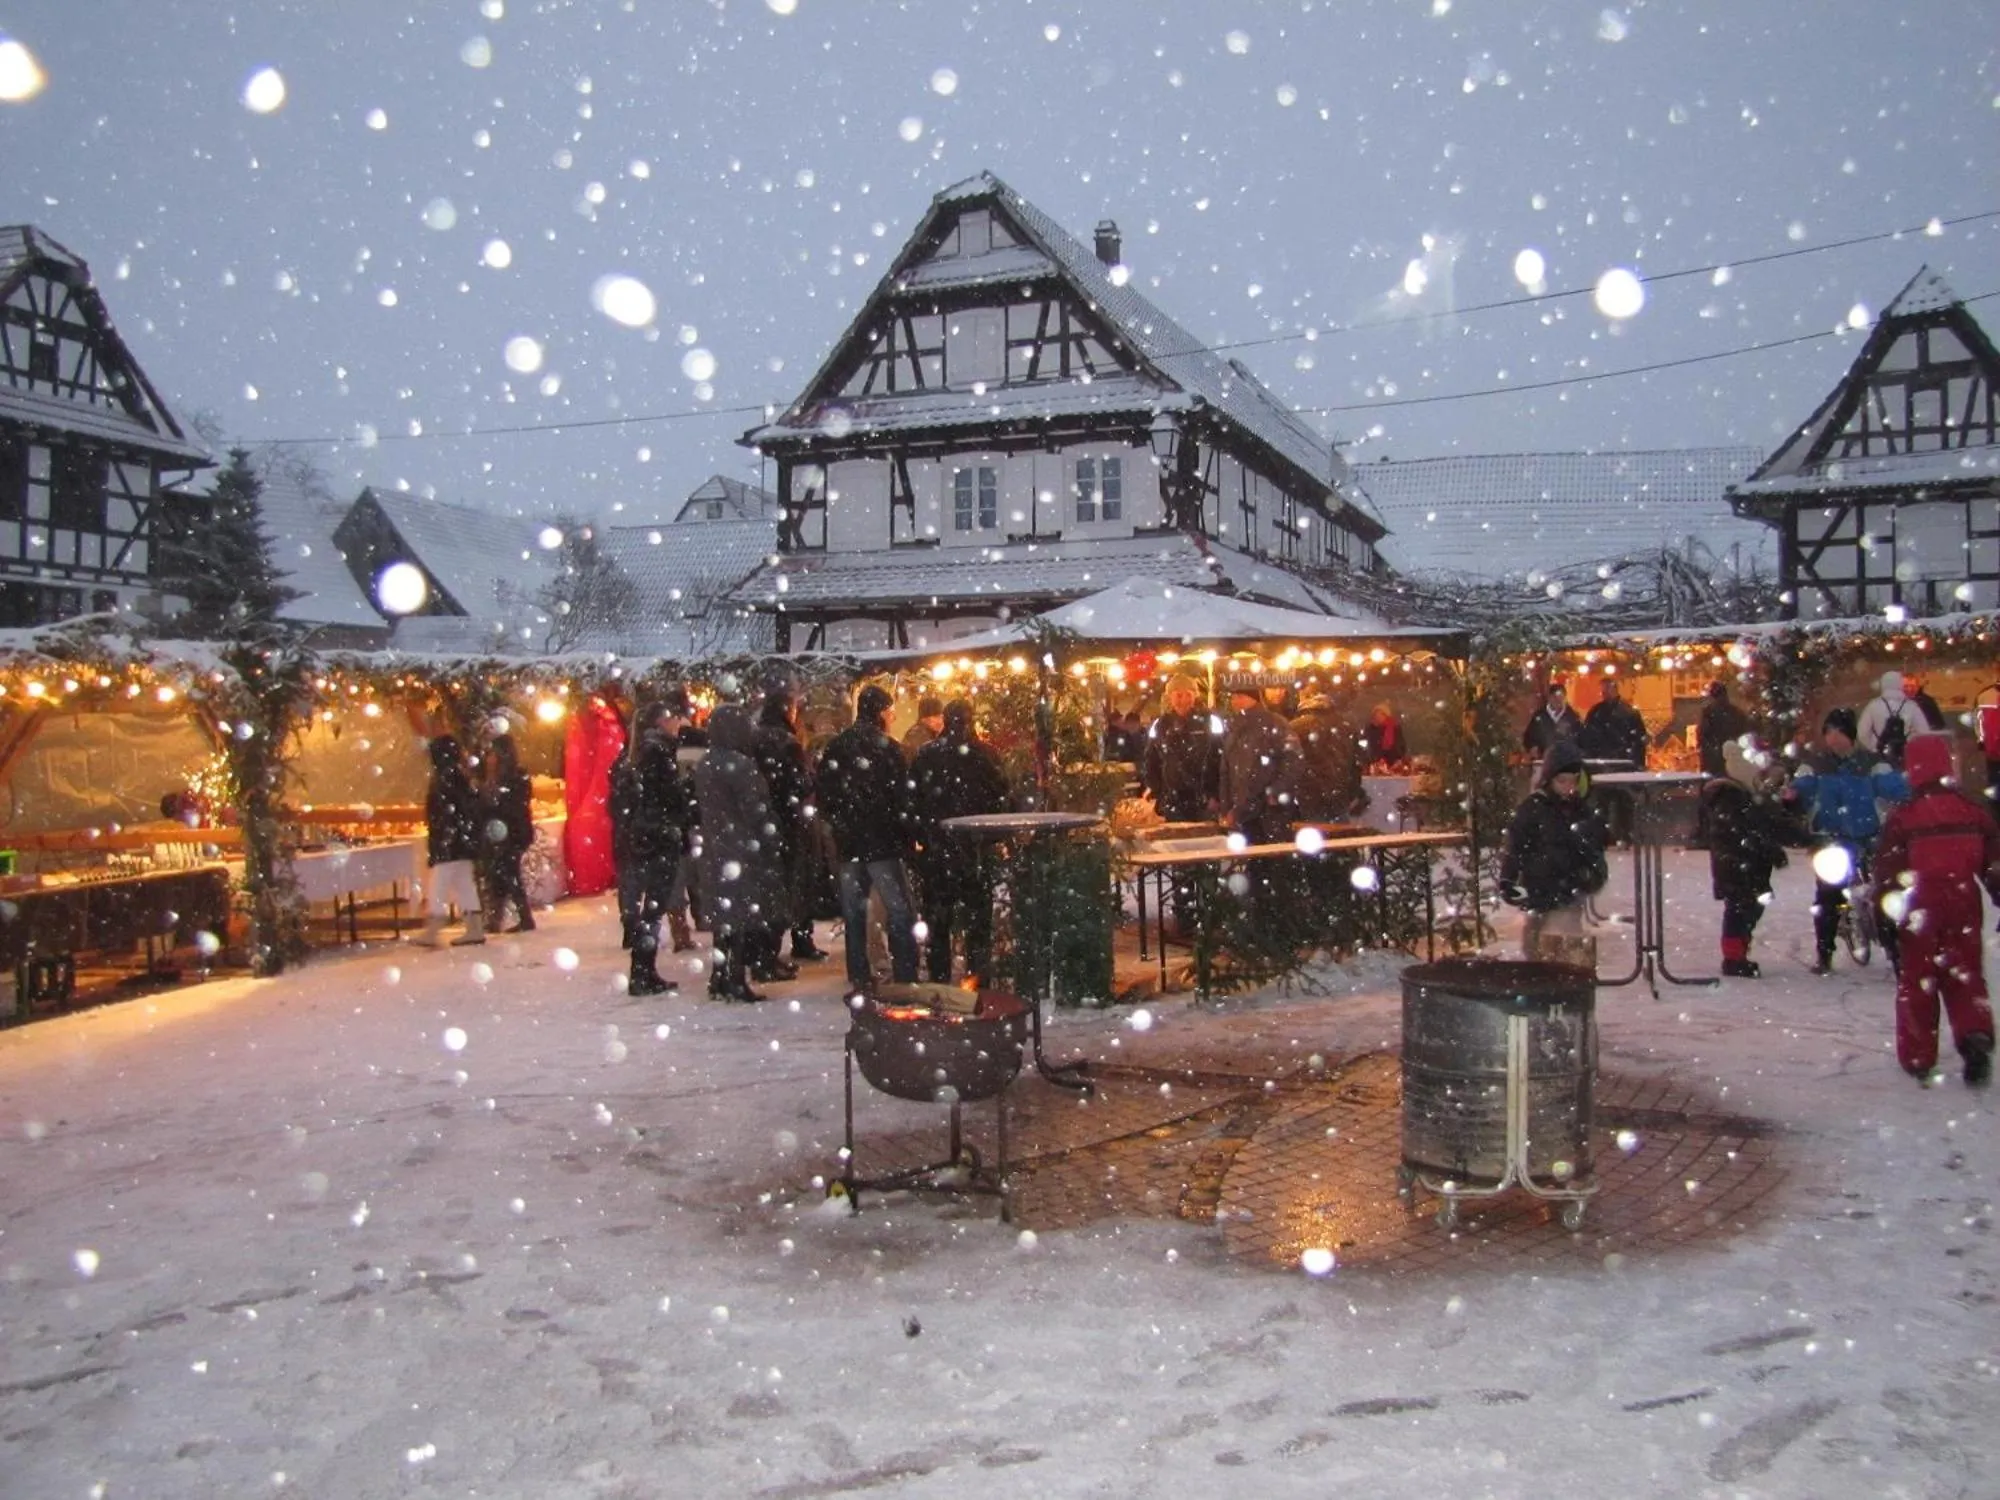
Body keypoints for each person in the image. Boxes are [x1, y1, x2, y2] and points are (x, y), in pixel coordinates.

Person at [1870, 732, 1998, 1086]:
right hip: (1964, 900)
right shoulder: (1972, 811)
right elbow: (1994, 862)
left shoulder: (1904, 818)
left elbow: (1889, 870)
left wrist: (1884, 908)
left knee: (1917, 979)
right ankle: (1975, 1035)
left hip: (1919, 904)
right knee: (1966, 973)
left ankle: (1919, 1055)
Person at [814, 683, 920, 991]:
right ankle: (905, 975)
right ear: (881, 712)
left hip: (850, 843)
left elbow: (825, 793)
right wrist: (906, 835)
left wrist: (838, 824)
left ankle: (859, 974)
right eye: (889, 711)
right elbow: (902, 797)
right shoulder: (889, 749)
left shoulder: (838, 747)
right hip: (883, 841)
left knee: (855, 911)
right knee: (899, 912)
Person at [1788, 706, 1909, 976]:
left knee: (1884, 895)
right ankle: (1825, 952)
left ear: (1851, 734)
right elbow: (1802, 786)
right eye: (1828, 732)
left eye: (1838, 731)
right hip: (1831, 838)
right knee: (1828, 896)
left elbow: (1893, 786)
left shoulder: (1872, 763)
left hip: (1868, 837)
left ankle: (1895, 952)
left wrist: (1909, 791)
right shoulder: (1815, 764)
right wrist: (1792, 794)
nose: (1833, 737)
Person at [693, 703, 792, 1003]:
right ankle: (735, 979)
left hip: (715, 847)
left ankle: (720, 977)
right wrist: (772, 838)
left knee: (724, 920)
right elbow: (757, 809)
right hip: (742, 851)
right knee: (739, 918)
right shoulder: (741, 765)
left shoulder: (706, 763)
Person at [910, 698, 1012, 985]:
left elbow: (912, 800)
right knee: (978, 921)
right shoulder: (986, 755)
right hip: (974, 850)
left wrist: (923, 837)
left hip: (938, 850)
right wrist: (993, 836)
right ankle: (977, 981)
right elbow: (1002, 795)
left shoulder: (927, 755)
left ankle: (940, 980)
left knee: (938, 921)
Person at [608, 705, 698, 996]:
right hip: (658, 838)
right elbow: (670, 797)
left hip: (639, 838)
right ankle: (642, 970)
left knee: (647, 906)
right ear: (662, 721)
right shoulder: (658, 754)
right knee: (655, 906)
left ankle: (642, 968)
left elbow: (621, 800)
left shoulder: (631, 755)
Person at [1498, 741, 1610, 960]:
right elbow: (1515, 846)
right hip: (1538, 890)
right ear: (1549, 780)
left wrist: (1591, 876)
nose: (1568, 787)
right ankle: (1540, 982)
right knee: (1535, 945)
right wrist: (1508, 880)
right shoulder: (1533, 809)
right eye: (1562, 781)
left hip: (1568, 891)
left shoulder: (1581, 812)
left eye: (1574, 781)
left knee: (1564, 942)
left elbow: (1594, 849)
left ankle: (1561, 985)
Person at [751, 683, 828, 969]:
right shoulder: (787, 742)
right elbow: (800, 784)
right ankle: (793, 944)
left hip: (763, 824)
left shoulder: (754, 739)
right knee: (797, 884)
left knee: (772, 888)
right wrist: (813, 776)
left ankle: (769, 948)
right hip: (791, 823)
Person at [1702, 738, 1790, 978]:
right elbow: (1747, 833)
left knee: (1749, 909)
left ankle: (1738, 951)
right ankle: (1733, 956)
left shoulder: (1747, 797)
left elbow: (1766, 828)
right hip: (1738, 866)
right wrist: (1770, 850)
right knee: (1740, 911)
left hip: (1747, 865)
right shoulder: (1732, 799)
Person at [1220, 677, 1305, 844]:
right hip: (1243, 809)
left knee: (1271, 859)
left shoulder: (1274, 723)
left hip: (1268, 810)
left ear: (1251, 698)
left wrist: (1275, 792)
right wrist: (1227, 805)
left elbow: (1293, 760)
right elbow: (1226, 768)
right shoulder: (1234, 725)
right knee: (1252, 859)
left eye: (1239, 696)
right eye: (1233, 697)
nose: (1234, 701)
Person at [420, 734, 486, 947]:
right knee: (464, 883)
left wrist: (443, 839)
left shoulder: (444, 779)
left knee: (439, 884)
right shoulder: (459, 776)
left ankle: (433, 929)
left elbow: (443, 814)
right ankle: (474, 927)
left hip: (450, 841)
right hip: (461, 841)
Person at [1141, 673, 1221, 823]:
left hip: (1202, 798)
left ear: (1195, 696)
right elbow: (1151, 760)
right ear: (1170, 697)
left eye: (1188, 694)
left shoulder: (1210, 721)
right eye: (1178, 695)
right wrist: (1154, 789)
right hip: (1171, 799)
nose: (1183, 700)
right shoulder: (1160, 725)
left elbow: (1219, 759)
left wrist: (1215, 795)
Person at [477, 733, 537, 934]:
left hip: (511, 833)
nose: (489, 758)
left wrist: (493, 807)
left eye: (492, 753)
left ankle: (519, 917)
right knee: (501, 874)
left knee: (508, 873)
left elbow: (512, 807)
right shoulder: (495, 778)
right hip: (502, 833)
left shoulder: (513, 777)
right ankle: (501, 917)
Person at [1289, 689, 1368, 824]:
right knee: (1338, 837)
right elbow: (1358, 763)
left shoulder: (1296, 727)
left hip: (1308, 795)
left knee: (1310, 838)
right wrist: (1352, 792)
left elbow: (1287, 763)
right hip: (1339, 793)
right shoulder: (1347, 725)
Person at [1857, 670, 1927, 770]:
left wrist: (1873, 747)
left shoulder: (1873, 706)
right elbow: (1924, 732)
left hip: (1880, 758)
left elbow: (1862, 732)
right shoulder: (1911, 706)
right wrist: (1910, 744)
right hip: (1905, 757)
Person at [1578, 678, 1648, 769]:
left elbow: (1638, 738)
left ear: (1615, 689)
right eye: (1602, 689)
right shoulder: (1596, 711)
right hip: (1601, 759)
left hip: (1623, 759)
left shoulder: (1629, 712)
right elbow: (1588, 734)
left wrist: (1637, 763)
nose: (1604, 692)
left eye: (1607, 688)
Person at [1697, 681, 1752, 778]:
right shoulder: (1735, 712)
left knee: (1713, 783)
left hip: (1715, 758)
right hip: (1730, 756)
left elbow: (1702, 734)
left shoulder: (1709, 712)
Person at [1521, 681, 1583, 760]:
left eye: (1561, 697)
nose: (1558, 701)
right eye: (1555, 697)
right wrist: (1532, 747)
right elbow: (1529, 736)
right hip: (1543, 761)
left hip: (1566, 762)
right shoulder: (1539, 716)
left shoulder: (1573, 717)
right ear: (1549, 697)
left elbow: (1580, 738)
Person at [1359, 702, 1408, 770]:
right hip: (1375, 762)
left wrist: (1399, 758)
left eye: (1379, 715)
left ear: (1385, 715)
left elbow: (1401, 745)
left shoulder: (1395, 727)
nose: (1377, 717)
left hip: (1393, 762)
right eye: (1375, 715)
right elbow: (1364, 745)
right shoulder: (1370, 729)